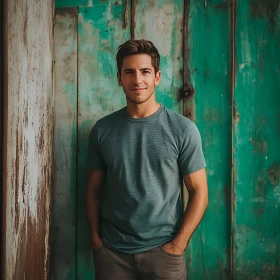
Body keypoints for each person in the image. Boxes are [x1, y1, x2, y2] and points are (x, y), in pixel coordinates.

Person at [86, 39, 208, 280]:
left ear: (157, 77)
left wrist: (178, 245)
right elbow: (92, 189)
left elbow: (199, 192)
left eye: (145, 72)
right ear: (120, 78)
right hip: (112, 254)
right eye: (129, 72)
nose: (137, 80)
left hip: (164, 253)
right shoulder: (102, 130)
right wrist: (96, 241)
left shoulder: (183, 129)